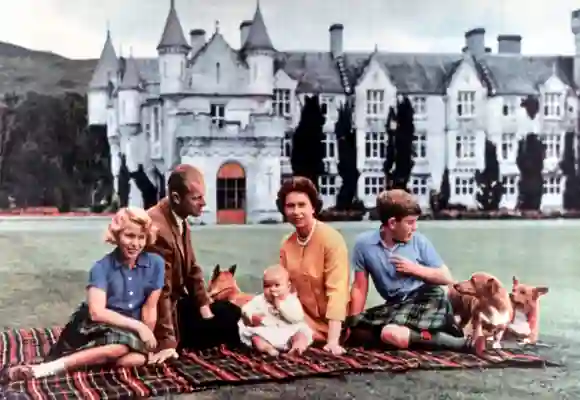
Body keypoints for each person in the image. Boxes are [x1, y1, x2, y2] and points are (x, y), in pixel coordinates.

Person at [6, 207, 165, 380]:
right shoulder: (102, 268)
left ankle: (90, 360)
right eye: (130, 236)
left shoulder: (156, 264)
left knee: (135, 359)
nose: (136, 244)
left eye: (141, 237)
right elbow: (96, 313)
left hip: (127, 330)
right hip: (95, 326)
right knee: (120, 349)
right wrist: (138, 327)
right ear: (117, 235)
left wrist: (147, 340)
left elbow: (150, 309)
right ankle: (48, 368)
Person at [347, 189, 485, 354]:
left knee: (390, 334)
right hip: (396, 305)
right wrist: (353, 322)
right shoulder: (364, 245)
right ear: (392, 223)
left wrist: (414, 269)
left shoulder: (419, 241)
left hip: (428, 298)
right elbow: (359, 289)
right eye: (410, 222)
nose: (415, 227)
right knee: (358, 334)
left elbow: (446, 277)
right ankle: (436, 334)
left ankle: (462, 344)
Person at [146, 164, 242, 364]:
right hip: (159, 314)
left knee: (230, 312)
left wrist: (204, 306)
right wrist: (167, 342)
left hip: (176, 302)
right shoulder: (158, 228)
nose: (203, 203)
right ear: (176, 198)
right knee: (228, 323)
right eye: (197, 198)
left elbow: (193, 270)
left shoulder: (178, 217)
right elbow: (159, 290)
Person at [278, 176, 350, 355]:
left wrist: (333, 341)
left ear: (313, 207)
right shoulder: (287, 244)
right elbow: (285, 290)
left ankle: (301, 339)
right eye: (290, 206)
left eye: (302, 205)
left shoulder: (331, 239)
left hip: (333, 322)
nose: (296, 211)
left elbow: (338, 291)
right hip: (300, 317)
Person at [238, 265, 313, 356]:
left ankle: (296, 348)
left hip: (289, 331)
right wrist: (251, 316)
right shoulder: (260, 300)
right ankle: (268, 349)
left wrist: (280, 306)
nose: (272, 289)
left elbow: (297, 317)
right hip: (267, 332)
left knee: (301, 334)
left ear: (288, 287)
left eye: (277, 285)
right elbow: (246, 308)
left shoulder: (291, 300)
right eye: (267, 286)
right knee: (255, 337)